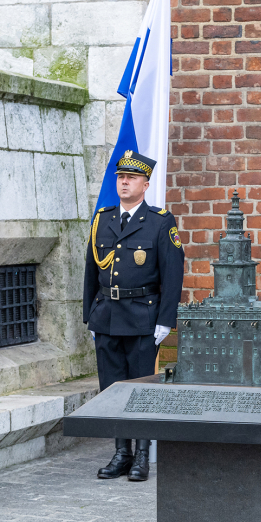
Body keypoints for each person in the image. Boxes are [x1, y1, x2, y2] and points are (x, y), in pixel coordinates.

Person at [83, 150, 185, 482]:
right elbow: (90, 272)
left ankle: (142, 454)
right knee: (113, 388)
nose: (123, 182)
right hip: (108, 316)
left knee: (141, 389)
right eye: (120, 177)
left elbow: (172, 275)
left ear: (145, 183)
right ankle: (121, 453)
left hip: (143, 317)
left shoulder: (160, 221)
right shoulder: (103, 218)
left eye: (131, 178)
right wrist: (90, 315)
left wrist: (165, 321)